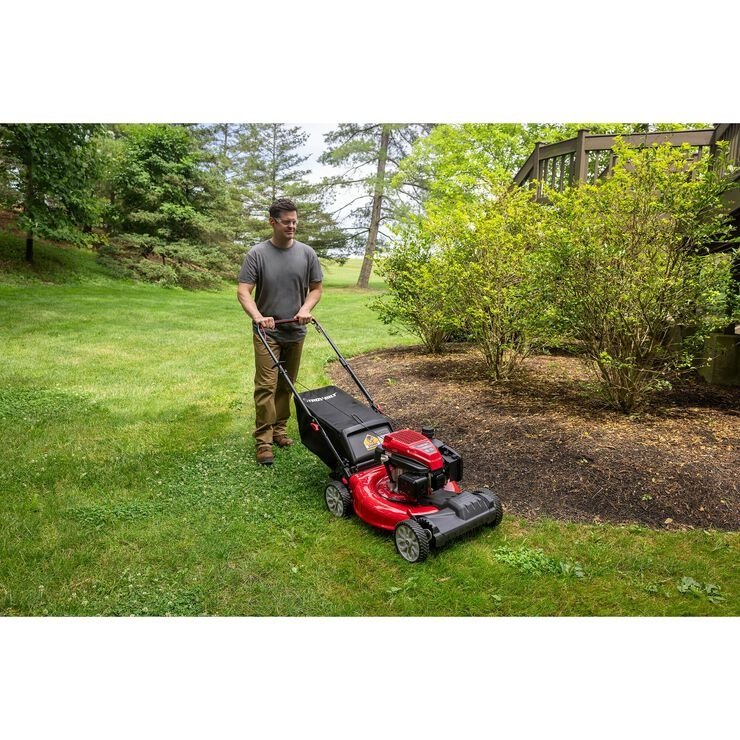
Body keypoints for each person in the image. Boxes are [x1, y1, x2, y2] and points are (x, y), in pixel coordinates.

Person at [237, 198, 323, 465]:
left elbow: (316, 289)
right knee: (266, 386)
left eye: (295, 221)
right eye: (286, 222)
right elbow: (243, 291)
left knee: (286, 385)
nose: (292, 226)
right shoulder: (257, 254)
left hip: (295, 331)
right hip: (267, 333)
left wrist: (306, 308)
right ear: (272, 222)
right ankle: (263, 442)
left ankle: (279, 431)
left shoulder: (307, 253)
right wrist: (258, 317)